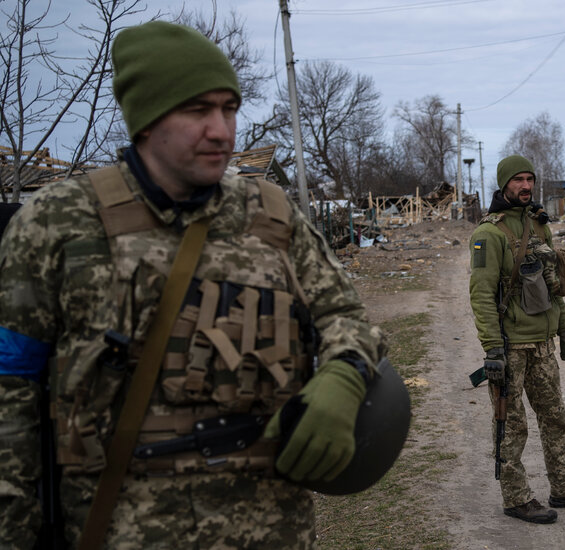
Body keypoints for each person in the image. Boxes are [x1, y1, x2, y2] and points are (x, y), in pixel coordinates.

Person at [0, 21, 388, 548]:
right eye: (197, 110)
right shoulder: (58, 223)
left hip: (272, 529)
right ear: (146, 119)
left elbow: (345, 316)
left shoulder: (273, 216)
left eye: (229, 108)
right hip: (120, 528)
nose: (222, 130)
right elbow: (12, 395)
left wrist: (344, 375)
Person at [468, 155, 565, 524]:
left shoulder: (538, 225)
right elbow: (481, 295)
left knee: (555, 418)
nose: (526, 186)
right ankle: (516, 498)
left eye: (530, 179)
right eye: (518, 180)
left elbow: (553, 286)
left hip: (543, 343)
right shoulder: (488, 234)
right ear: (503, 185)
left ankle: (564, 487)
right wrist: (492, 349)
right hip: (510, 348)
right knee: (512, 427)